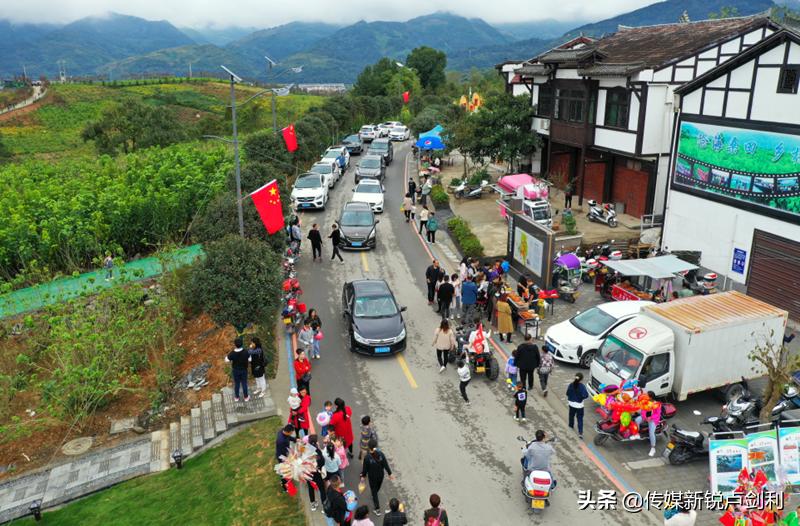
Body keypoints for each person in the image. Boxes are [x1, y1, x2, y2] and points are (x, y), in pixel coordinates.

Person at [360, 438, 394, 516]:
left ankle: (377, 509)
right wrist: (390, 474)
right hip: (380, 476)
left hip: (372, 478)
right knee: (377, 488)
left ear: (369, 447)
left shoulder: (367, 458)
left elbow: (365, 469)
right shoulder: (381, 454)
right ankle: (374, 494)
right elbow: (385, 464)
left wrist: (363, 476)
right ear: (376, 446)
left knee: (374, 491)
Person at [225, 337, 251, 402]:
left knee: (237, 384)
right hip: (244, 370)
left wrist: (229, 357)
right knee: (244, 383)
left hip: (235, 371)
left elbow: (226, 360)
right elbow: (250, 359)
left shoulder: (232, 353)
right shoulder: (246, 352)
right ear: (242, 344)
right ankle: (246, 397)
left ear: (235, 345)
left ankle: (236, 397)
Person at [636, 391, 660, 457]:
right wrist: (645, 417)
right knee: (637, 420)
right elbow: (643, 411)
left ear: (651, 397)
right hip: (645, 417)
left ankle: (653, 448)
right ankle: (637, 433)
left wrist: (650, 418)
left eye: (647, 396)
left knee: (651, 433)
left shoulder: (657, 404)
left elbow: (657, 414)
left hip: (653, 420)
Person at [307, 434, 327, 512]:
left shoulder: (304, 449)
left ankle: (313, 504)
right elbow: (322, 462)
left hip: (308, 473)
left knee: (310, 488)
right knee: (322, 489)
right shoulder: (317, 451)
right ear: (315, 442)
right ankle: (324, 507)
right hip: (317, 474)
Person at [566, 373, 589, 439]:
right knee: (580, 418)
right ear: (582, 379)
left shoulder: (571, 385)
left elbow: (567, 393)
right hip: (579, 406)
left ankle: (571, 425)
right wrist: (580, 398)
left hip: (571, 403)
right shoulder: (582, 386)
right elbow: (586, 395)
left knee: (571, 415)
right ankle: (580, 433)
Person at [275, 424, 297, 491]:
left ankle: (287, 479)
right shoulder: (281, 441)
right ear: (288, 431)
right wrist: (290, 457)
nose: (291, 433)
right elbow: (283, 453)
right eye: (291, 432)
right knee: (284, 471)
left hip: (284, 453)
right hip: (282, 456)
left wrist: (295, 439)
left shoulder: (282, 431)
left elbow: (288, 437)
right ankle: (285, 486)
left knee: (287, 469)